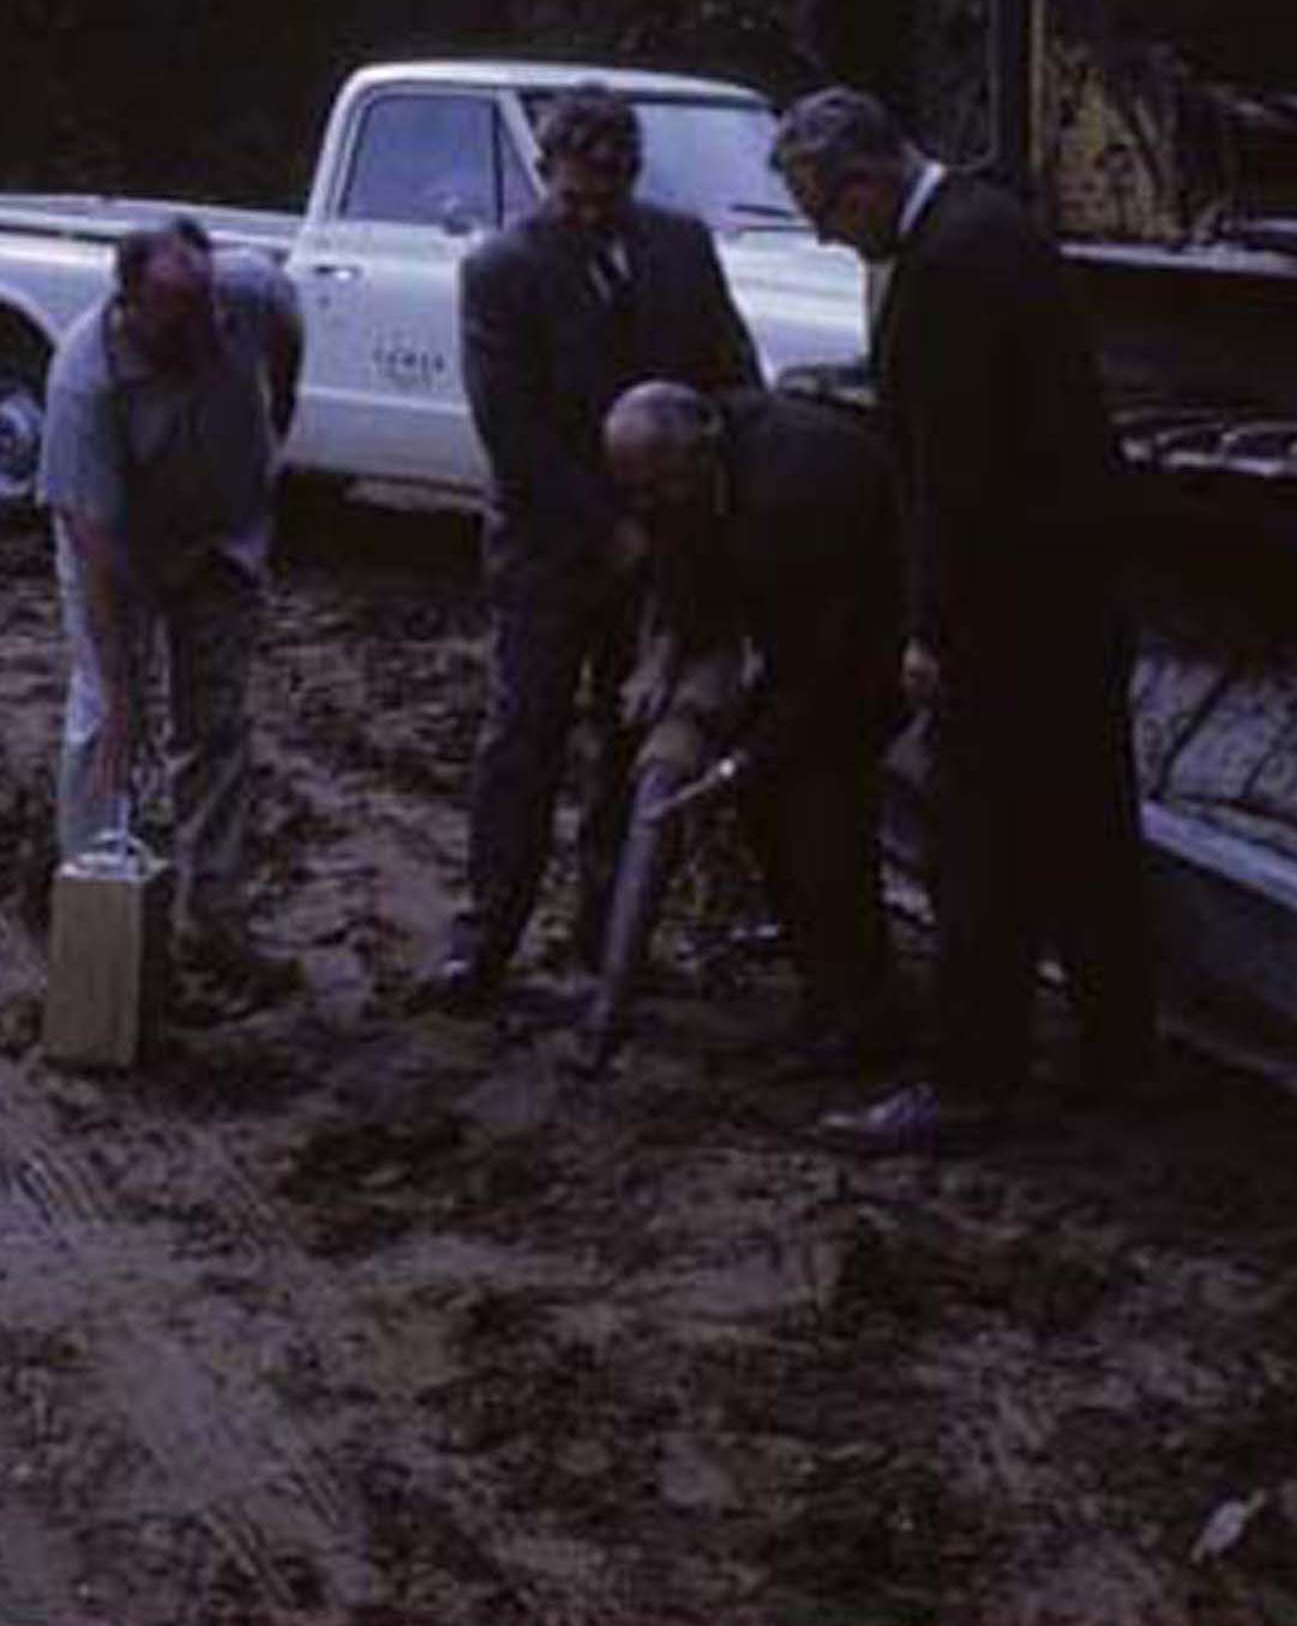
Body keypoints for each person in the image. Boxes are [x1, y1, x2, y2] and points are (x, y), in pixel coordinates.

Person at [766, 85, 1160, 1150]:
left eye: (825, 211)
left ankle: (969, 1076)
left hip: (1010, 608)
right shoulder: (990, 227)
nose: (822, 234)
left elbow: (953, 474)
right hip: (1072, 594)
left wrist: (930, 627)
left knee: (979, 847)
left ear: (869, 179)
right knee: (1088, 832)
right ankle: (1119, 1053)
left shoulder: (944, 267)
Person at [428, 86, 761, 1014]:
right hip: (546, 553)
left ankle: (607, 941)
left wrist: (679, 530)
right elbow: (515, 432)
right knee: (521, 744)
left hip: (662, 548)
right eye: (570, 199)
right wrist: (603, 531)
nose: (586, 215)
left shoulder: (681, 249)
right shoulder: (502, 270)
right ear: (545, 177)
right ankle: (485, 938)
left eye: (603, 199)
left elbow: (729, 373)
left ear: (631, 177)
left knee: (631, 745)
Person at [595, 379, 911, 1071]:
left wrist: (743, 763)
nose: (645, 508)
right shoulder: (688, 470)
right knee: (770, 811)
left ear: (703, 453)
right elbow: (681, 549)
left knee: (821, 814)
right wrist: (665, 654)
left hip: (879, 639)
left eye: (657, 489)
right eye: (634, 494)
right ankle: (824, 991)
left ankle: (864, 1017)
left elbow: (824, 673)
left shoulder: (800, 494)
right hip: (805, 634)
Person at [38, 214, 307, 1002]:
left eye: (205, 307)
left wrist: (274, 430)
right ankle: (95, 928)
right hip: (123, 545)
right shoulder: (81, 382)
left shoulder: (249, 294)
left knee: (216, 727)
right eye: (177, 315)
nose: (200, 330)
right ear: (128, 300)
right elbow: (95, 552)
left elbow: (287, 340)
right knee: (103, 728)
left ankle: (214, 924)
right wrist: (127, 698)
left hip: (222, 534)